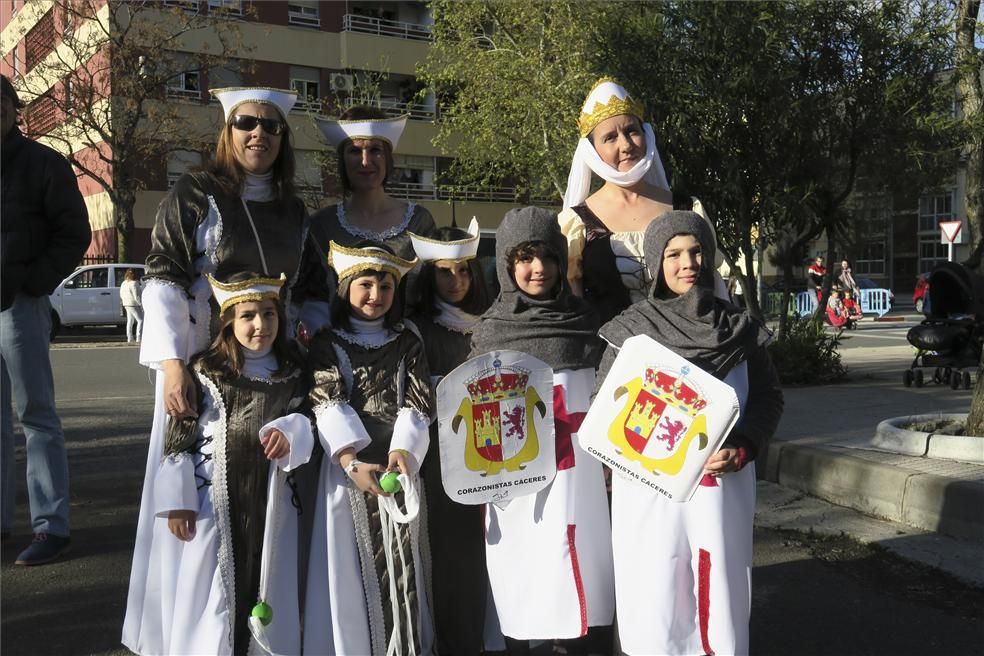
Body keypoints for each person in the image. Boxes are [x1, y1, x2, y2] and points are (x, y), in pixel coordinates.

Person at [122, 86, 328, 653]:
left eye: (270, 125)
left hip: (272, 368)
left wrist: (302, 334)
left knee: (272, 496)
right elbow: (162, 275)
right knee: (198, 496)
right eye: (246, 123)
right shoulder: (193, 193)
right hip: (202, 368)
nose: (257, 133)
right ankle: (196, 634)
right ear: (228, 130)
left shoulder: (294, 211)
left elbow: (311, 289)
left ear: (283, 138)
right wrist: (170, 366)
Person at [597, 211, 783, 656]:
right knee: (654, 590)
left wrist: (744, 445)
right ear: (657, 262)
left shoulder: (739, 329)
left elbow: (768, 398)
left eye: (697, 251)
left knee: (719, 589)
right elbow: (607, 409)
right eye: (674, 253)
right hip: (647, 489)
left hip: (721, 486)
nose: (688, 263)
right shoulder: (632, 332)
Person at [469, 207, 615, 654]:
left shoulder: (590, 325)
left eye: (547, 257)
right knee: (525, 573)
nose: (537, 269)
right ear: (508, 265)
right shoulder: (490, 333)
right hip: (517, 480)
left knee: (583, 570)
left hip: (583, 475)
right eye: (525, 258)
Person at [145, 272, 312, 655]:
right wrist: (179, 498)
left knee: (266, 577)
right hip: (215, 501)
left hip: (273, 502)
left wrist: (292, 432)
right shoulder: (205, 371)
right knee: (217, 583)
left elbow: (310, 418)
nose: (260, 325)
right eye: (248, 316)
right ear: (229, 321)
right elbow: (180, 435)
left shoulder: (293, 372)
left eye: (269, 315)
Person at [304, 242, 435, 655]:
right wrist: (350, 461)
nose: (375, 296)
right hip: (351, 472)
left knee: (404, 565)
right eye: (365, 284)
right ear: (345, 288)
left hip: (399, 467)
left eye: (386, 286)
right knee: (350, 564)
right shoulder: (327, 343)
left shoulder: (407, 342)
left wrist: (405, 453)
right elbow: (326, 401)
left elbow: (419, 404)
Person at [1, 74, 91, 565]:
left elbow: (74, 231)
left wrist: (33, 283)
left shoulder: (42, 164)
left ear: (15, 110)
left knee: (36, 416)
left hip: (19, 306)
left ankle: (51, 527)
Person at [559, 78, 724, 325]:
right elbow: (572, 306)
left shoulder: (687, 209)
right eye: (610, 138)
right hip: (610, 358)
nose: (625, 145)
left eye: (631, 131)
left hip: (688, 354)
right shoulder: (577, 223)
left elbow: (715, 288)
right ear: (592, 151)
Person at [408, 220, 492, 656]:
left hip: (497, 456)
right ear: (428, 275)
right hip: (443, 461)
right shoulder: (415, 330)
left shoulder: (495, 320)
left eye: (464, 270)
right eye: (444, 271)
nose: (456, 280)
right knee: (452, 562)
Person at [312, 106, 436, 262]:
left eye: (375, 150)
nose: (365, 161)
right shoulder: (322, 225)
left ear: (387, 158)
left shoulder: (419, 222)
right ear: (342, 160)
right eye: (355, 151)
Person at [120, 268, 143, 343]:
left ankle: (129, 338)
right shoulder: (134, 283)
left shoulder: (123, 283)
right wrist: (141, 304)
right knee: (140, 320)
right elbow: (136, 296)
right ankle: (138, 337)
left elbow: (121, 294)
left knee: (130, 321)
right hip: (133, 304)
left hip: (126, 303)